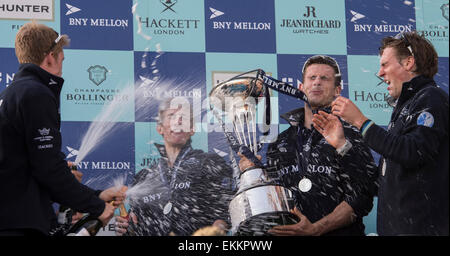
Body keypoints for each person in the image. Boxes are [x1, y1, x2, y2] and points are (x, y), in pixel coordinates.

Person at [0, 22, 126, 236]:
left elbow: (32, 167)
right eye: (61, 60)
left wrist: (96, 196)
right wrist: (97, 207)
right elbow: (48, 169)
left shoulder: (11, 93)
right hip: (19, 225)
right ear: (50, 57)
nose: (61, 68)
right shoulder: (35, 94)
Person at [321, 31, 449, 235]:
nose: (380, 74)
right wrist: (343, 146)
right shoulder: (407, 106)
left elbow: (413, 152)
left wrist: (360, 121)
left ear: (409, 63)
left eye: (384, 64)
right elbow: (379, 180)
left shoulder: (431, 98)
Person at [240, 55, 378, 236]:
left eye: (324, 78)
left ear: (337, 90)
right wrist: (253, 174)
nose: (317, 83)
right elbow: (275, 199)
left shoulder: (352, 135)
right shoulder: (280, 143)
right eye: (312, 78)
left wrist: (316, 229)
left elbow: (363, 196)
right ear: (300, 87)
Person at [115, 98, 234, 236]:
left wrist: (217, 229)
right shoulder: (143, 177)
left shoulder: (210, 163)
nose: (178, 122)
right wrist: (126, 227)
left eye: (183, 118)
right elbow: (135, 223)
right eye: (171, 116)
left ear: (192, 129)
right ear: (160, 128)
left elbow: (228, 210)